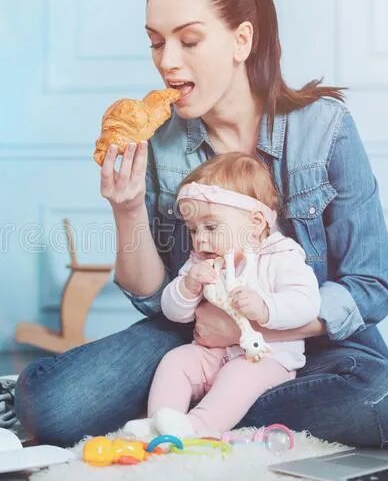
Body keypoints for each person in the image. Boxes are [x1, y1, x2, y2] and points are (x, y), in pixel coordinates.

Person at [16, 0, 388, 448]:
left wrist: (253, 324)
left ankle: (192, 416)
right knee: (50, 405)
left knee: (386, 400)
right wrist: (126, 210)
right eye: (156, 42)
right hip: (197, 339)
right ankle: (208, 409)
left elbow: (370, 285)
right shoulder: (159, 145)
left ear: (241, 40)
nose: (167, 62)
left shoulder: (325, 129)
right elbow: (153, 297)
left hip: (313, 342)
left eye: (188, 40)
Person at [123, 152, 321, 439]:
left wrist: (266, 308)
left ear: (255, 224)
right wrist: (187, 287)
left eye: (211, 227)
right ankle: (160, 423)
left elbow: (306, 302)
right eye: (193, 230)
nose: (200, 238)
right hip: (212, 352)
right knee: (176, 361)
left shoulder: (282, 255)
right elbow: (174, 312)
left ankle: (197, 427)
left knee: (237, 377)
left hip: (264, 358)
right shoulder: (200, 263)